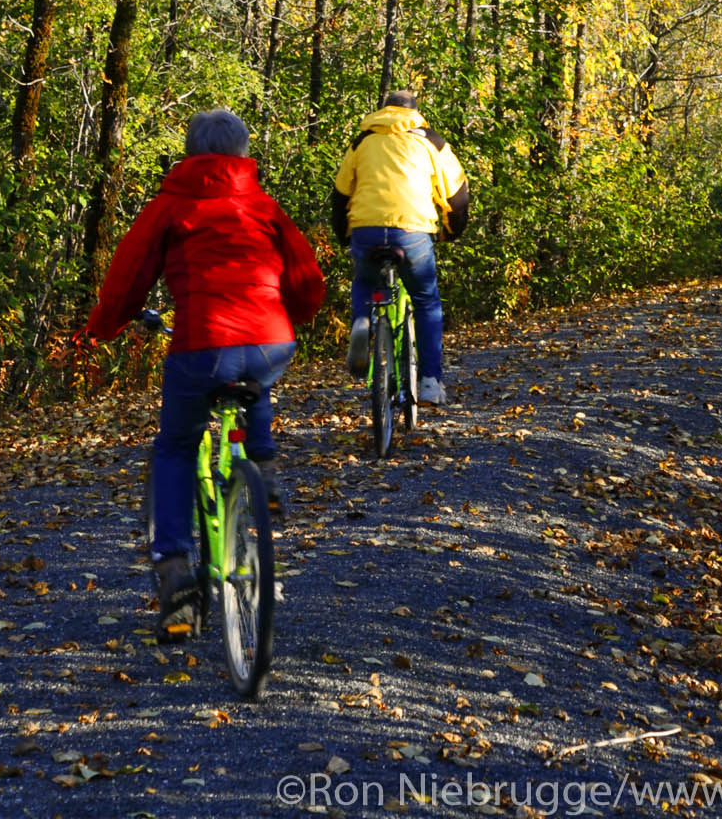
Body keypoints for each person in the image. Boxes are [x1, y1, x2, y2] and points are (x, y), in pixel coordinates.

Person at [86, 108, 325, 630]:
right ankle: (263, 468)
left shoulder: (171, 205)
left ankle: (174, 570)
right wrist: (296, 316)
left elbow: (128, 278)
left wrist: (101, 328)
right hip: (270, 341)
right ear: (243, 153)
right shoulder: (264, 205)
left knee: (175, 445)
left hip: (201, 343)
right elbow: (307, 278)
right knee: (255, 378)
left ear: (191, 153)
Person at [332, 90, 468, 406]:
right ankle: (431, 382)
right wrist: (451, 231)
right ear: (415, 112)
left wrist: (344, 236)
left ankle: (362, 323)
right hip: (413, 231)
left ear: (383, 110)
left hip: (365, 230)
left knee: (365, 282)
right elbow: (458, 194)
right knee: (426, 301)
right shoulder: (431, 141)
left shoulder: (362, 141)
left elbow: (340, 196)